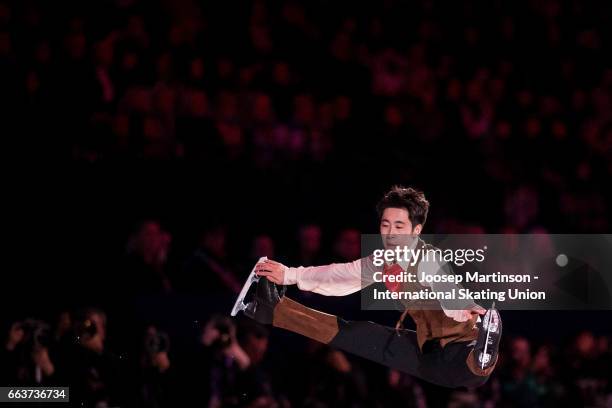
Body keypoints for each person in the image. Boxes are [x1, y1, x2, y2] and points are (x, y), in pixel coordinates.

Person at [235, 186, 502, 388]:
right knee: (358, 334)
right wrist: (289, 275)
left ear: (416, 230)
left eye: (399, 225)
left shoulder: (428, 259)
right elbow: (341, 276)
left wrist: (464, 306)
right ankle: (271, 310)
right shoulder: (383, 260)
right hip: (426, 355)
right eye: (385, 225)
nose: (390, 233)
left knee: (467, 363)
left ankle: (484, 354)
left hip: (460, 352)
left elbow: (447, 288)